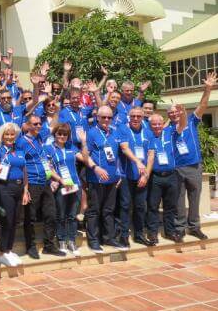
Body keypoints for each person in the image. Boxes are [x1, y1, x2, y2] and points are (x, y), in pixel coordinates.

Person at [170, 72, 217, 240]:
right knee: (179, 201)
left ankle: (194, 227)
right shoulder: (169, 130)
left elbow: (203, 105)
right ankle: (180, 228)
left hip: (194, 166)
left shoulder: (192, 120)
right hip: (177, 169)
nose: (175, 114)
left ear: (182, 111)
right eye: (172, 113)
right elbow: (180, 126)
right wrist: (181, 113)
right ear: (169, 115)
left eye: (177, 111)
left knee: (195, 198)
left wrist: (208, 88)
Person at [17, 114, 65, 258]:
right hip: (31, 182)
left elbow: (54, 124)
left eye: (39, 124)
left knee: (51, 214)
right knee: (30, 217)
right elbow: (21, 165)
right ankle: (30, 246)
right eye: (35, 124)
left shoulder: (40, 137)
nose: (39, 126)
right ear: (28, 126)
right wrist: (25, 189)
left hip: (45, 182)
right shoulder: (21, 142)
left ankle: (49, 245)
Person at [82, 105, 126, 253]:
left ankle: (109, 238)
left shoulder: (115, 132)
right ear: (97, 118)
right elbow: (85, 155)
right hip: (96, 179)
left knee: (109, 210)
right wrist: (96, 168)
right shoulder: (92, 133)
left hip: (113, 178)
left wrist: (119, 174)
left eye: (109, 117)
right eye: (103, 117)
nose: (106, 120)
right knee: (94, 210)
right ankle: (93, 240)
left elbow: (118, 155)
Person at [116, 107, 155, 248]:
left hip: (142, 177)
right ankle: (124, 236)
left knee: (140, 207)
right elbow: (124, 148)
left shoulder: (148, 133)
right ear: (129, 117)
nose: (136, 118)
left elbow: (151, 155)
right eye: (133, 116)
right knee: (125, 206)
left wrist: (146, 175)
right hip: (127, 175)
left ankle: (139, 235)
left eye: (139, 116)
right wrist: (138, 162)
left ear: (143, 117)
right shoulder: (123, 129)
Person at [0, 122, 26, 267]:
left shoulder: (19, 149)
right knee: (7, 220)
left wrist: (26, 189)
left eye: (12, 134)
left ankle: (9, 249)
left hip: (19, 186)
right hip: (5, 187)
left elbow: (24, 170)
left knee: (15, 220)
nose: (10, 137)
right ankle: (1, 252)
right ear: (2, 135)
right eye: (7, 134)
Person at [45, 123, 86, 256]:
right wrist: (61, 180)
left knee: (72, 215)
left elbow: (85, 158)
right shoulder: (48, 149)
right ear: (55, 134)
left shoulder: (71, 147)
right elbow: (49, 168)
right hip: (62, 185)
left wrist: (84, 143)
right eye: (59, 134)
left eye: (65, 134)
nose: (62, 136)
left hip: (75, 185)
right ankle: (62, 240)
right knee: (61, 215)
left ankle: (72, 241)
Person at [147, 110, 187, 244]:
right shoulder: (148, 136)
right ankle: (152, 233)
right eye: (154, 124)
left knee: (170, 207)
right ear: (150, 125)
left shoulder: (169, 132)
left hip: (171, 176)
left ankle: (170, 232)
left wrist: (182, 113)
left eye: (159, 124)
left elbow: (182, 125)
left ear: (163, 124)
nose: (157, 126)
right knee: (153, 206)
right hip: (155, 177)